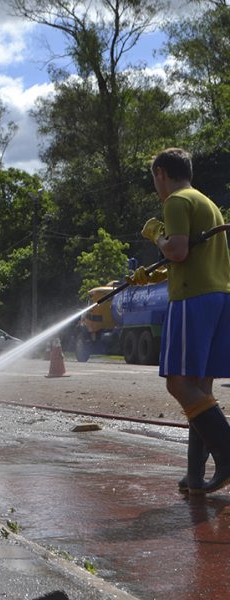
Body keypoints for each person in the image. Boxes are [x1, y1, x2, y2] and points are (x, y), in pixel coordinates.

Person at [128, 147, 230, 494]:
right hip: (217, 297)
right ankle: (195, 476)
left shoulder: (175, 201)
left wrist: (157, 235)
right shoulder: (207, 203)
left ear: (160, 173)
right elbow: (189, 257)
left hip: (191, 300)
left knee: (179, 384)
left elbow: (178, 250)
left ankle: (228, 455)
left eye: (154, 179)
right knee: (200, 391)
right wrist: (151, 277)